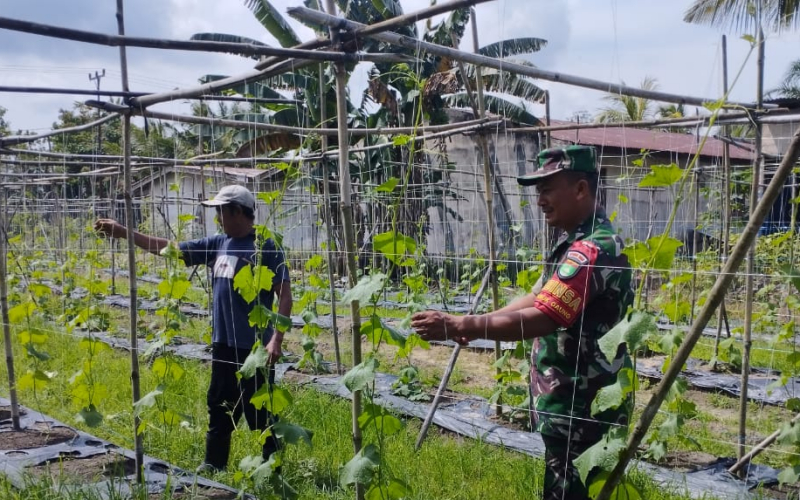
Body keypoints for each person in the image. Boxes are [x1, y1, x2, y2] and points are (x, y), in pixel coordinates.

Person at [412, 146, 633, 500]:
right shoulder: (575, 243)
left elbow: (545, 316)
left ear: (580, 189)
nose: (540, 200)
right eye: (538, 190)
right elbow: (539, 298)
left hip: (582, 406)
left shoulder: (592, 250)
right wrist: (471, 323)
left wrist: (462, 325)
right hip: (573, 404)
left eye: (548, 189)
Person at [95, 184, 292, 474]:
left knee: (259, 410)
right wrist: (124, 232)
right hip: (223, 343)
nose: (217, 218)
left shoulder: (266, 246)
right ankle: (213, 464)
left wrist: (276, 339)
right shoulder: (219, 243)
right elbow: (171, 249)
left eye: (220, 212)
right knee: (219, 404)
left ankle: (272, 468)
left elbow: (284, 295)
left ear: (237, 211)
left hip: (254, 348)